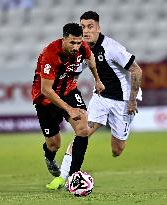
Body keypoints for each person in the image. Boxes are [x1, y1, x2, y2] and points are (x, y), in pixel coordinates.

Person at [46, 11, 142, 190]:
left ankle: (116, 136)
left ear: (98, 28)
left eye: (90, 27)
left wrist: (133, 100)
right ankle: (63, 177)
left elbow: (136, 70)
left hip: (123, 101)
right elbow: (73, 74)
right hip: (101, 98)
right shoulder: (80, 49)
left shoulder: (112, 47)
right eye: (83, 27)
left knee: (117, 150)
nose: (86, 31)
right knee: (83, 131)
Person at [31, 23, 105, 187]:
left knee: (83, 129)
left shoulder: (82, 47)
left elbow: (91, 60)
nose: (76, 47)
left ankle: (74, 176)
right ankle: (49, 157)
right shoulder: (50, 54)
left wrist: (98, 80)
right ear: (64, 39)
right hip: (46, 100)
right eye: (72, 43)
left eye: (78, 43)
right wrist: (69, 109)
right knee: (54, 144)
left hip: (69, 91)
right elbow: (46, 90)